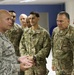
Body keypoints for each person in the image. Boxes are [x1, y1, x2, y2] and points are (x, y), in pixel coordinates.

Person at [0, 9, 33, 75]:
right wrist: (18, 67)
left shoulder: (4, 35)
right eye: (8, 19)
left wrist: (18, 58)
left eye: (11, 19)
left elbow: (5, 56)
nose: (11, 21)